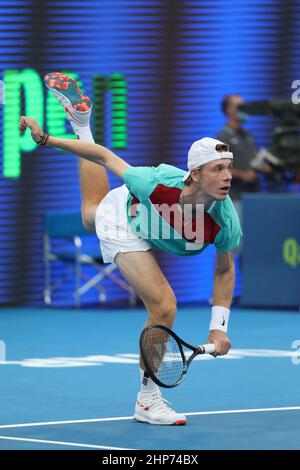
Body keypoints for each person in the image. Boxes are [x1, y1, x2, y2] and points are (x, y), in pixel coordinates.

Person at [19, 73, 242, 426]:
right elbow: (106, 157)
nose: (227, 176)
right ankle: (148, 400)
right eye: (218, 169)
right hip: (128, 216)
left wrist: (220, 327)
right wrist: (45, 139)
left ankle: (80, 121)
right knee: (164, 304)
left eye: (229, 168)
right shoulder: (153, 183)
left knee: (90, 213)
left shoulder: (225, 218)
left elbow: (225, 267)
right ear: (195, 175)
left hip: (147, 226)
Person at [217, 94, 259, 203]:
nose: (244, 110)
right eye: (240, 107)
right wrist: (243, 175)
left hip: (254, 195)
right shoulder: (222, 137)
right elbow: (219, 166)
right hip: (235, 197)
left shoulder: (249, 135)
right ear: (228, 110)